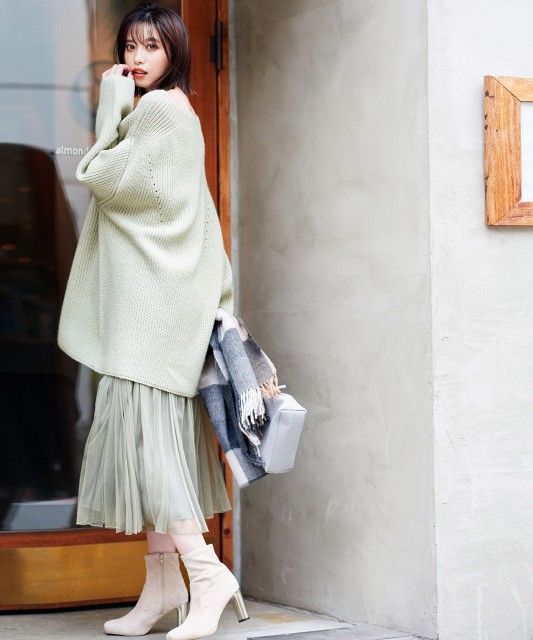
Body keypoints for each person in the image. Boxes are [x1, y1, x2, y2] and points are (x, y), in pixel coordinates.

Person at [57, 3, 249, 639]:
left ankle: (207, 573)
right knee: (150, 449)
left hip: (152, 314)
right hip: (156, 309)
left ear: (174, 54)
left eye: (151, 47)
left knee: (150, 452)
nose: (136, 59)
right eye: (130, 46)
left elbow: (102, 176)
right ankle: (163, 588)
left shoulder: (161, 110)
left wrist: (111, 101)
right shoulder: (172, 110)